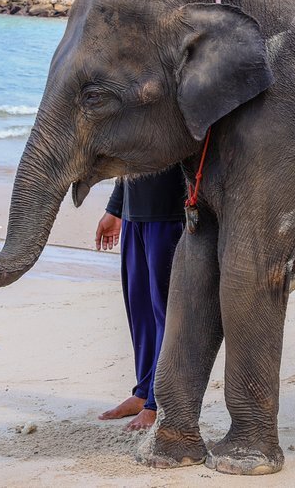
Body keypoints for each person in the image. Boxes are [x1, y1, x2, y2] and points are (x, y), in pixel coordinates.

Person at [95, 165, 185, 431]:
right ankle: (143, 391)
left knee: (164, 314)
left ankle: (158, 403)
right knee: (140, 311)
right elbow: (132, 153)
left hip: (170, 213)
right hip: (133, 216)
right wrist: (115, 209)